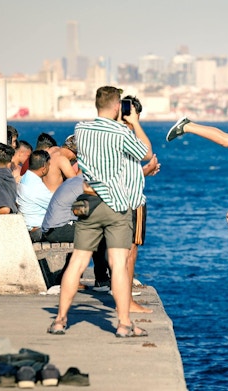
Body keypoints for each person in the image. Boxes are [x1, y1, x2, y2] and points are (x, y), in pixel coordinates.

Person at [47, 86, 152, 338]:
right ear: (118, 107)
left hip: (89, 202)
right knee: (117, 265)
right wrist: (134, 122)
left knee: (78, 262)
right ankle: (124, 324)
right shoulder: (120, 132)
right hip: (116, 205)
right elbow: (146, 153)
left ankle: (60, 320)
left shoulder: (80, 129)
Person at [121, 95, 161, 313]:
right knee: (130, 252)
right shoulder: (126, 133)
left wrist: (144, 172)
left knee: (122, 251)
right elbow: (146, 152)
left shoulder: (111, 134)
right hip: (131, 201)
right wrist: (135, 123)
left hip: (117, 199)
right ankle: (126, 302)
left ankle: (123, 298)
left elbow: (124, 170)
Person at [42, 173, 110, 287]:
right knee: (97, 234)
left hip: (53, 227)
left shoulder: (75, 181)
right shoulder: (84, 186)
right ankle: (101, 279)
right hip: (57, 229)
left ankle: (69, 277)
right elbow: (85, 211)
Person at [16, 150, 52, 242]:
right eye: (49, 165)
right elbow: (55, 205)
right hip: (38, 231)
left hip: (29, 227)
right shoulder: (35, 186)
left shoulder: (25, 178)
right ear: (44, 167)